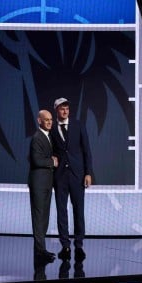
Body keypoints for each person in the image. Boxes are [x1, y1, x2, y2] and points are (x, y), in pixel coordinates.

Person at [50, 97, 93, 260]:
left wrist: (88, 173)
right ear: (56, 110)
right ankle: (65, 246)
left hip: (77, 175)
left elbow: (87, 150)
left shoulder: (78, 125)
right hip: (59, 176)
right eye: (62, 108)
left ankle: (79, 245)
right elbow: (49, 149)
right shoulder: (52, 127)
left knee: (78, 210)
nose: (65, 111)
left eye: (67, 108)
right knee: (61, 211)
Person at [29, 109, 58, 262]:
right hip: (39, 184)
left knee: (44, 218)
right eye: (46, 119)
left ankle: (41, 250)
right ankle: (40, 251)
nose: (49, 122)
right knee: (39, 217)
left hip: (46, 183)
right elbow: (36, 160)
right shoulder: (37, 137)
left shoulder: (48, 137)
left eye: (51, 120)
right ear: (39, 121)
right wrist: (52, 162)